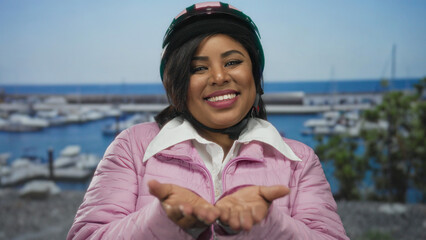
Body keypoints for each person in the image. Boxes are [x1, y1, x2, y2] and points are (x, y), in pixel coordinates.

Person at [67, 2, 349, 239]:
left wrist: (267, 223)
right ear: (177, 84)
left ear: (255, 74)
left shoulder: (299, 160)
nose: (218, 77)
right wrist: (165, 221)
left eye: (232, 62)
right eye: (199, 68)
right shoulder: (132, 147)